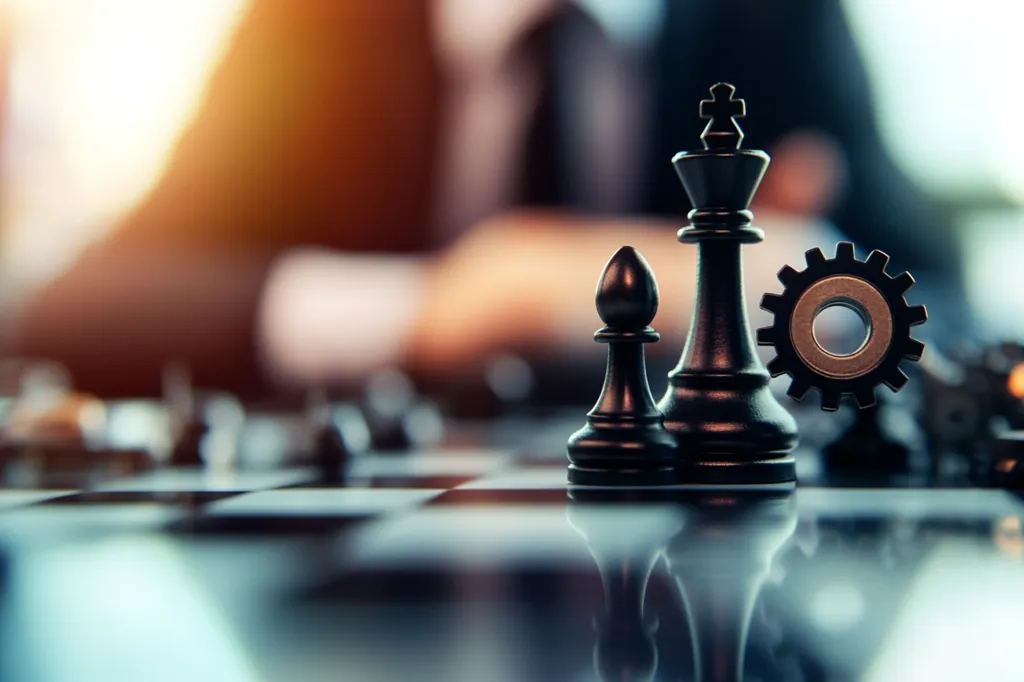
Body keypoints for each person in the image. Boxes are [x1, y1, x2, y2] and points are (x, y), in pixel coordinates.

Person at [7, 0, 961, 398]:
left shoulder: (776, 21)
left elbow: (945, 303)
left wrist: (803, 290)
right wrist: (435, 307)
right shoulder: (321, 26)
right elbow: (76, 308)